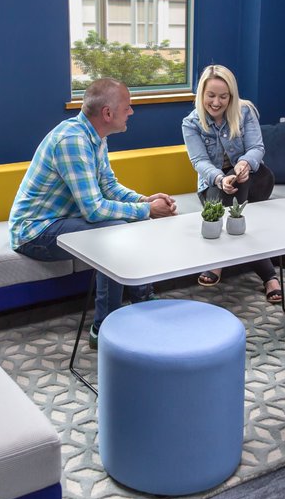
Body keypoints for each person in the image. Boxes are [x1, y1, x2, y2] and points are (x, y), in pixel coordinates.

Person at [10, 78, 176, 347]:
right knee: (114, 233)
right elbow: (94, 209)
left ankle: (142, 301)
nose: (131, 112)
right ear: (107, 114)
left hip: (63, 221)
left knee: (126, 222)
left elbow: (108, 185)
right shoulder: (72, 141)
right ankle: (104, 328)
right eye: (127, 107)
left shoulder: (95, 137)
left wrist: (145, 199)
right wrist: (147, 210)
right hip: (35, 231)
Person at [181, 64, 281, 304]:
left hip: (255, 180)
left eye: (223, 97)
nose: (216, 102)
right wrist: (220, 177)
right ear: (201, 94)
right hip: (214, 185)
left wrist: (244, 164)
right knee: (234, 208)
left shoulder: (244, 112)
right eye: (211, 95)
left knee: (239, 188)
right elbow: (199, 162)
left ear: (232, 96)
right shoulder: (191, 123)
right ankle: (270, 277)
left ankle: (217, 263)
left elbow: (257, 148)